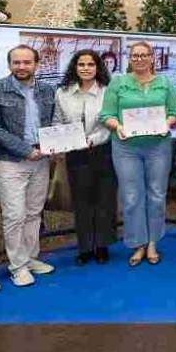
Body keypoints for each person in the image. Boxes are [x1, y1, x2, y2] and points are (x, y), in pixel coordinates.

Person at [0, 44, 57, 287]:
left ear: (36, 65)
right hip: (10, 160)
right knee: (14, 215)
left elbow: (53, 122)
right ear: (9, 64)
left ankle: (31, 258)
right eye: (17, 62)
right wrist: (25, 150)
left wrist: (54, 144)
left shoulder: (47, 90)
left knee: (34, 212)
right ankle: (18, 266)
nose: (22, 66)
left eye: (27, 62)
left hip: (41, 159)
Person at [100, 41, 176, 267]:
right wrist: (118, 126)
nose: (140, 59)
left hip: (158, 146)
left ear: (152, 58)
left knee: (157, 195)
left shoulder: (165, 83)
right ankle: (138, 243)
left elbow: (174, 112)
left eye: (144, 55)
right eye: (135, 55)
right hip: (126, 148)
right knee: (132, 197)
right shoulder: (118, 83)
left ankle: (152, 242)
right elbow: (106, 115)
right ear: (130, 58)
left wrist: (167, 123)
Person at [54, 50, 117, 266]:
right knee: (81, 201)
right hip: (75, 153)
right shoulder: (62, 93)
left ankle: (102, 246)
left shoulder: (108, 91)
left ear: (98, 67)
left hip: (102, 150)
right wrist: (59, 141)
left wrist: (94, 139)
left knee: (104, 200)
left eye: (91, 64)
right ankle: (85, 248)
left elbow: (111, 121)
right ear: (75, 67)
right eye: (81, 64)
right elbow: (57, 121)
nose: (86, 68)